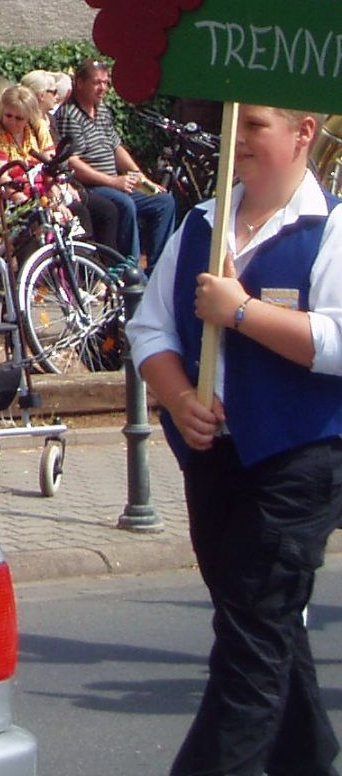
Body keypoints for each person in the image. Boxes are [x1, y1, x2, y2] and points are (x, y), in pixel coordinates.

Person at [129, 104, 342, 776]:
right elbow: (151, 329)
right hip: (214, 457)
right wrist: (181, 397)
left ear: (302, 133)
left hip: (298, 455)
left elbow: (336, 340)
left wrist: (243, 312)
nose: (238, 140)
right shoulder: (201, 221)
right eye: (235, 126)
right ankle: (310, 761)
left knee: (251, 637)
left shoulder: (332, 226)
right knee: (262, 622)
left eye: (255, 126)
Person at [52, 56, 175, 269]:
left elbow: (117, 149)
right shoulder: (69, 115)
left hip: (116, 182)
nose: (103, 88)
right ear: (80, 83)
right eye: (97, 82)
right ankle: (129, 270)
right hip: (92, 186)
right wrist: (113, 181)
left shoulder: (103, 112)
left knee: (163, 201)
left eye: (106, 83)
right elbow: (72, 162)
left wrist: (144, 180)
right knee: (124, 203)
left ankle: (158, 269)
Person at [19, 68, 69, 152]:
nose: (57, 96)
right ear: (41, 95)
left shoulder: (50, 119)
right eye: (54, 92)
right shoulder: (23, 123)